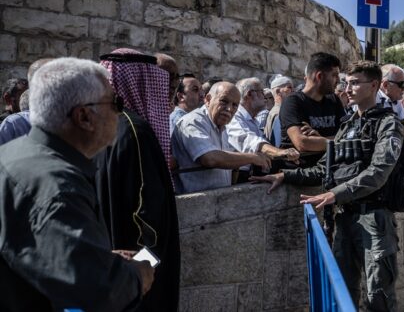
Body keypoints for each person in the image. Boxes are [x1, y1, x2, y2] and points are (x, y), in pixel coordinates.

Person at [0, 58, 154, 311]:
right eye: (115, 103)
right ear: (84, 116)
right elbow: (100, 291)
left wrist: (98, 257)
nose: (120, 113)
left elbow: (39, 251)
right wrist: (137, 275)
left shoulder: (14, 154)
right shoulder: (59, 185)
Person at [252, 60, 404, 311]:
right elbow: (325, 169)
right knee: (342, 292)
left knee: (379, 296)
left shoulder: (388, 124)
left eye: (355, 83)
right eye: (347, 82)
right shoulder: (347, 126)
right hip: (345, 218)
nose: (348, 88)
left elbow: (379, 172)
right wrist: (286, 176)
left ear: (375, 85)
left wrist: (334, 194)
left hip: (374, 219)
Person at [94, 49, 181, 311]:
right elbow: (148, 216)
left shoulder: (100, 124)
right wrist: (146, 267)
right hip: (134, 272)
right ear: (142, 80)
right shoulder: (136, 131)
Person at [171, 81, 271, 193]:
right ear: (208, 99)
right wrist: (252, 157)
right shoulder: (193, 121)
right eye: (224, 101)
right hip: (195, 204)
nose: (229, 109)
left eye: (234, 105)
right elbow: (210, 159)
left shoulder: (222, 127)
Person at [279, 52, 346, 168]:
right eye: (334, 75)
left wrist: (320, 139)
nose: (338, 80)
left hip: (328, 169)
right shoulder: (293, 102)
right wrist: (335, 141)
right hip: (298, 174)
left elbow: (347, 135)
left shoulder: (334, 100)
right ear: (319, 76)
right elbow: (302, 143)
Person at [227, 78, 299, 179]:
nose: (265, 95)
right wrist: (278, 152)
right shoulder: (235, 116)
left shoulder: (253, 120)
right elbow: (247, 139)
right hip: (238, 177)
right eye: (261, 92)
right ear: (249, 94)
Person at [264, 75, 295, 147]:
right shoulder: (279, 113)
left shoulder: (277, 110)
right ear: (278, 91)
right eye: (289, 87)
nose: (293, 91)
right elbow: (278, 143)